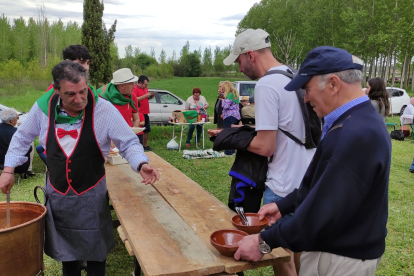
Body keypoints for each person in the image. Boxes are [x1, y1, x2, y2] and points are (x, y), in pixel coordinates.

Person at [234, 46, 390, 276]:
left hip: (342, 259)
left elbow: (319, 214)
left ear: (334, 84)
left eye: (307, 90)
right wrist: (283, 205)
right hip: (341, 252)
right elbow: (324, 186)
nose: (306, 99)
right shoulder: (356, 121)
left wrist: (262, 242)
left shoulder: (355, 134)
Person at [0, 61, 159, 276]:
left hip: (91, 193)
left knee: (96, 252)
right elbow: (21, 138)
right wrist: (9, 170)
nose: (79, 99)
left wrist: (141, 163)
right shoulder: (42, 109)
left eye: (83, 91)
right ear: (56, 91)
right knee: (67, 254)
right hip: (58, 194)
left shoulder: (104, 110)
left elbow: (128, 142)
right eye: (71, 94)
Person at [224, 28, 315, 275]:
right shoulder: (291, 76)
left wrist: (232, 139)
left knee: (281, 260)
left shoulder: (266, 85)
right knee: (296, 254)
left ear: (251, 55)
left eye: (239, 61)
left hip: (282, 186)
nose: (239, 69)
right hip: (306, 182)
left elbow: (266, 147)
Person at [39, 45, 93, 167]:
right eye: (81, 62)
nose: (85, 67)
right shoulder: (52, 95)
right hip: (60, 153)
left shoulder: (90, 93)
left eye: (87, 63)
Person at [0, 108, 32, 176]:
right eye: (17, 118)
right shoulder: (17, 133)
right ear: (11, 121)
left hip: (1, 163)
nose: (17, 120)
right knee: (29, 145)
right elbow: (29, 149)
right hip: (15, 165)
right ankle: (28, 171)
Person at [133, 75, 155, 151]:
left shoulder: (145, 89)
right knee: (139, 130)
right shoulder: (134, 88)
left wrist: (150, 96)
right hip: (139, 112)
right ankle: (138, 145)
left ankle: (145, 145)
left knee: (147, 129)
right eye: (145, 84)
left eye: (147, 85)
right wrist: (145, 96)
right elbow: (134, 99)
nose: (146, 86)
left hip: (145, 112)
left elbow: (145, 98)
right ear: (140, 83)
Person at [221, 81, 241, 156]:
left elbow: (225, 106)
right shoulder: (235, 93)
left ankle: (229, 151)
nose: (222, 90)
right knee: (233, 134)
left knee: (227, 133)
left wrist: (222, 100)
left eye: (223, 88)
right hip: (235, 116)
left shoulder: (229, 95)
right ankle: (232, 150)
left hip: (229, 116)